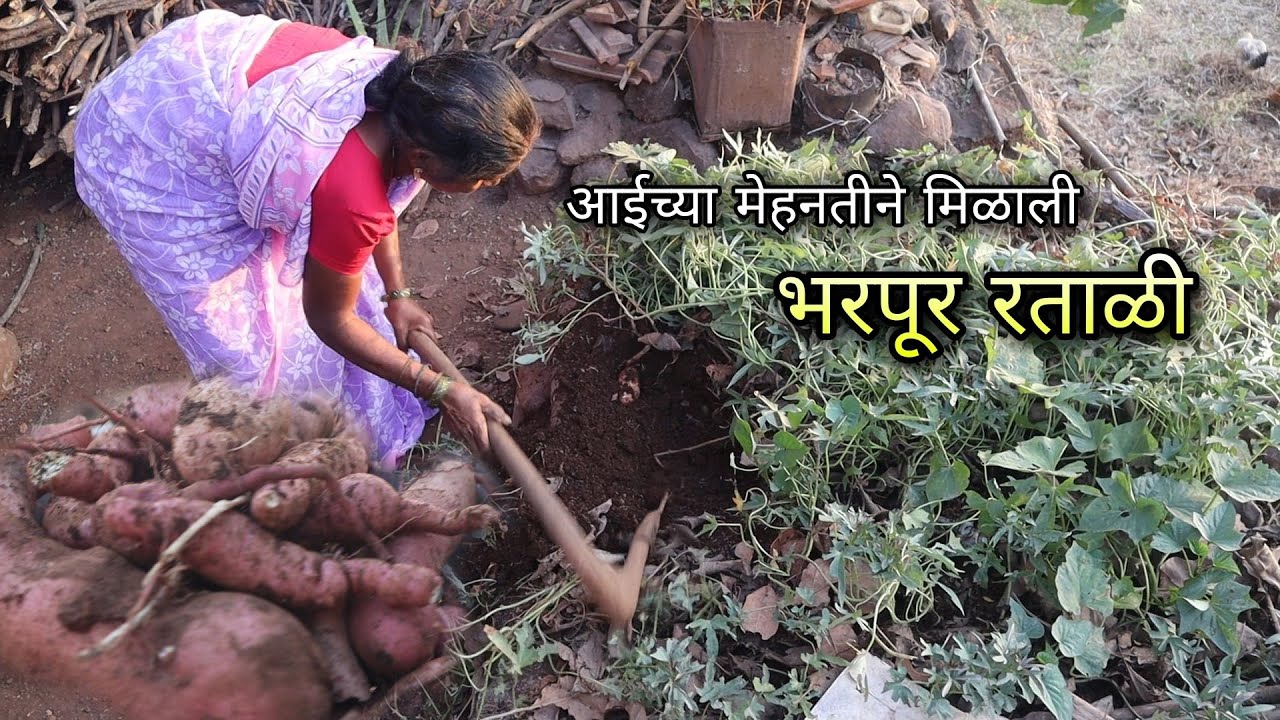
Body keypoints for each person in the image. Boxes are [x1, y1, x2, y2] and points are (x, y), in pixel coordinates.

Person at [72, 9, 541, 470]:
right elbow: (329, 317)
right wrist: (439, 387)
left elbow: (379, 197)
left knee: (340, 283)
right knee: (246, 353)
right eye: (484, 179)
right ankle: (272, 454)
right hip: (144, 146)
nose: (490, 186)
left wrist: (397, 295)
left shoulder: (405, 92)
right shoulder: (354, 193)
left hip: (194, 75)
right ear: (424, 156)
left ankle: (356, 405)